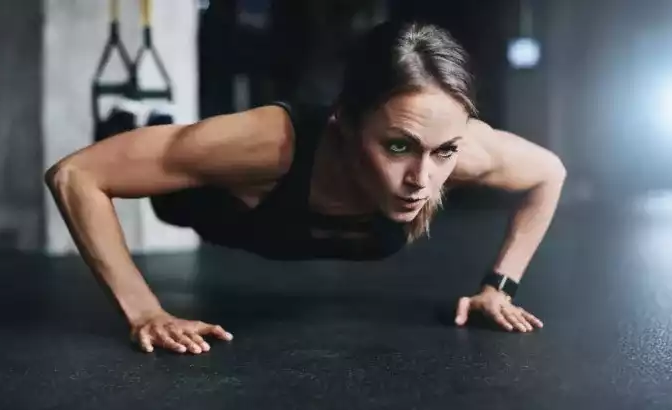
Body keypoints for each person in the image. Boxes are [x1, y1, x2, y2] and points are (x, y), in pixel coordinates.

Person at [45, 20, 566, 355]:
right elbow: (76, 175)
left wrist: (499, 287)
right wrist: (146, 312)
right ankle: (136, 124)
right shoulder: (265, 146)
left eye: (445, 151)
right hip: (197, 202)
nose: (422, 179)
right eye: (398, 147)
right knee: (154, 159)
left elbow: (549, 173)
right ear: (345, 124)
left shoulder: (459, 149)